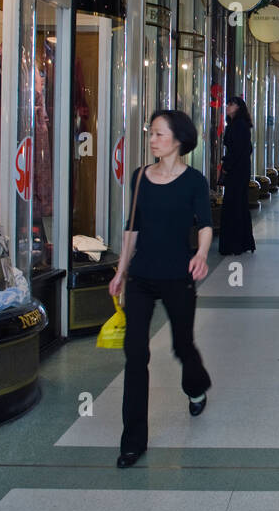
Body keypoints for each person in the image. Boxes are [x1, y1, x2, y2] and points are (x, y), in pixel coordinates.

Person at [108, 110, 213, 469]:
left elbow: (205, 225)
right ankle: (133, 441)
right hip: (141, 277)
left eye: (158, 134)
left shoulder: (194, 181)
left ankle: (195, 385)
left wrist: (200, 254)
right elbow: (131, 230)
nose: (152, 140)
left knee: (182, 344)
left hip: (177, 274)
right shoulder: (140, 178)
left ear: (178, 140)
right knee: (135, 354)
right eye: (150, 134)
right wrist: (120, 272)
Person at [218, 96, 256, 256]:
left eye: (231, 104)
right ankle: (241, 242)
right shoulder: (237, 125)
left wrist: (227, 166)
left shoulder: (238, 125)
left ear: (239, 107)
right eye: (228, 104)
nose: (228, 106)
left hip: (237, 170)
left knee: (233, 205)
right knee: (238, 205)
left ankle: (234, 244)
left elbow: (239, 150)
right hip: (240, 169)